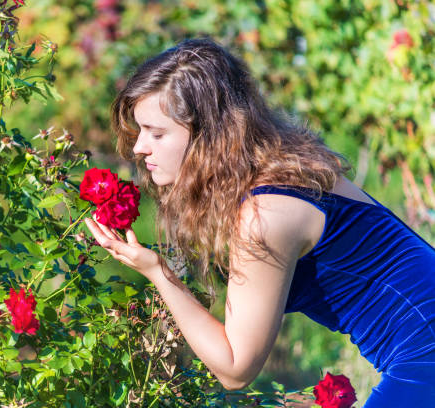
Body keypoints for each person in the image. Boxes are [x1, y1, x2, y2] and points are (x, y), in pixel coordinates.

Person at [83, 38, 435, 407]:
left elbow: (235, 368)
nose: (140, 147)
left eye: (156, 133)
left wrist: (158, 272)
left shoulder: (265, 214)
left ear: (208, 136)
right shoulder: (289, 171)